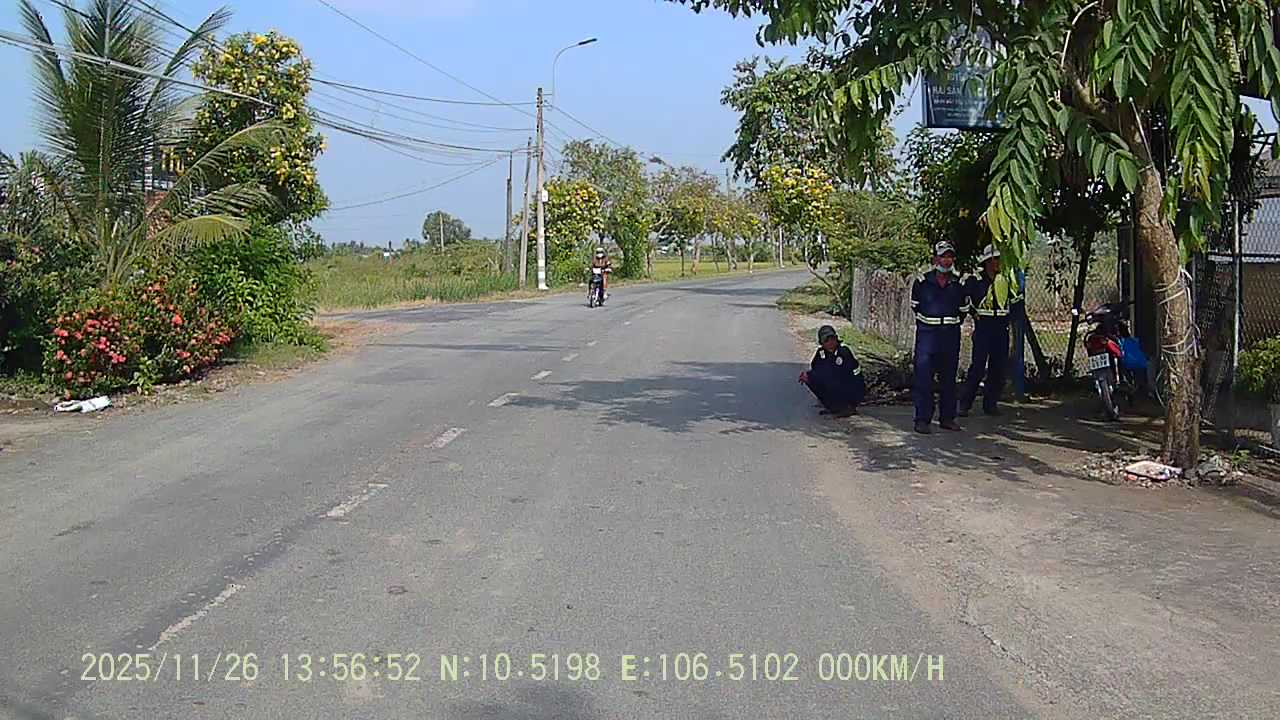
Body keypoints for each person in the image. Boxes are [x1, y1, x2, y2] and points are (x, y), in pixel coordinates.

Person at [910, 241, 971, 434]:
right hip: (927, 336)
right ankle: (922, 420)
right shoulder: (922, 282)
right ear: (935, 259)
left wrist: (949, 322)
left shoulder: (959, 283)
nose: (947, 260)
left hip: (950, 336)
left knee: (949, 379)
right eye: (943, 256)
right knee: (923, 378)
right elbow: (915, 306)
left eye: (950, 256)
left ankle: (947, 418)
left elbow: (963, 310)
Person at [960, 244, 1022, 417]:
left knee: (998, 368)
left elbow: (1016, 303)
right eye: (995, 259)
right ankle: (964, 404)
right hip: (983, 327)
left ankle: (990, 404)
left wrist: (1009, 318)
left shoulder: (1007, 281)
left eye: (1000, 260)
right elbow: (965, 299)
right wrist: (973, 313)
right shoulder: (976, 281)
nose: (998, 263)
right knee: (978, 367)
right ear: (987, 261)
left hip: (1001, 328)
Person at [798, 325, 866, 418]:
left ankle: (846, 407)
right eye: (826, 340)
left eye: (832, 339)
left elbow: (839, 373)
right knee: (811, 377)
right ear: (822, 342)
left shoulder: (843, 352)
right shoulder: (821, 353)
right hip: (835, 384)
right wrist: (808, 376)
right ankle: (833, 407)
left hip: (851, 388)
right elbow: (815, 367)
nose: (830, 342)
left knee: (829, 380)